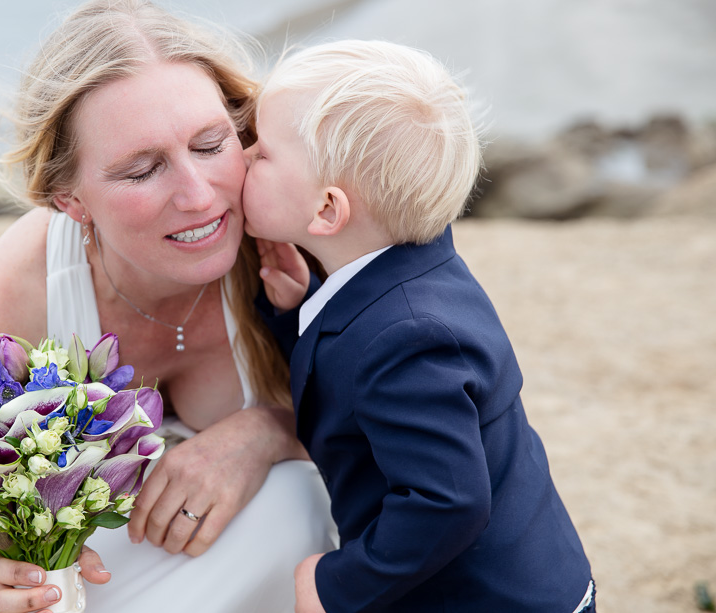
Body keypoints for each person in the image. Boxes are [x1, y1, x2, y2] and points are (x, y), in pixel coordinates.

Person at [0, 2, 336, 612]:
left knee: (297, 496)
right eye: (142, 170)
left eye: (211, 144)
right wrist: (8, 568)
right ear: (71, 200)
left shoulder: (303, 231)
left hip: (270, 563)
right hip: (87, 583)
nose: (197, 195)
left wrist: (268, 430)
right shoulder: (6, 296)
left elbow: (416, 413)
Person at [242, 40, 595, 612]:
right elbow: (357, 376)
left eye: (262, 154)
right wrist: (298, 310)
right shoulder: (417, 270)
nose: (242, 156)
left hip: (488, 599)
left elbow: (447, 501)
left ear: (327, 210)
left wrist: (337, 586)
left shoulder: (410, 339)